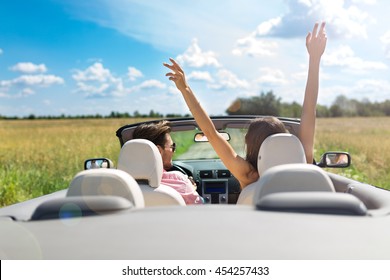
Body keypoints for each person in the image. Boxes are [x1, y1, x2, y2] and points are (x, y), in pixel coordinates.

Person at [164, 22, 327, 189]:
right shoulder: (304, 164)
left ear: (251, 145)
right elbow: (309, 111)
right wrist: (315, 59)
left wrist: (185, 89)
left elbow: (210, 133)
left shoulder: (249, 175)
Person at [132, 120, 204, 204]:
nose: (174, 151)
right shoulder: (179, 181)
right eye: (172, 146)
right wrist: (191, 188)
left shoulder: (123, 184)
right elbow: (200, 207)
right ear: (158, 151)